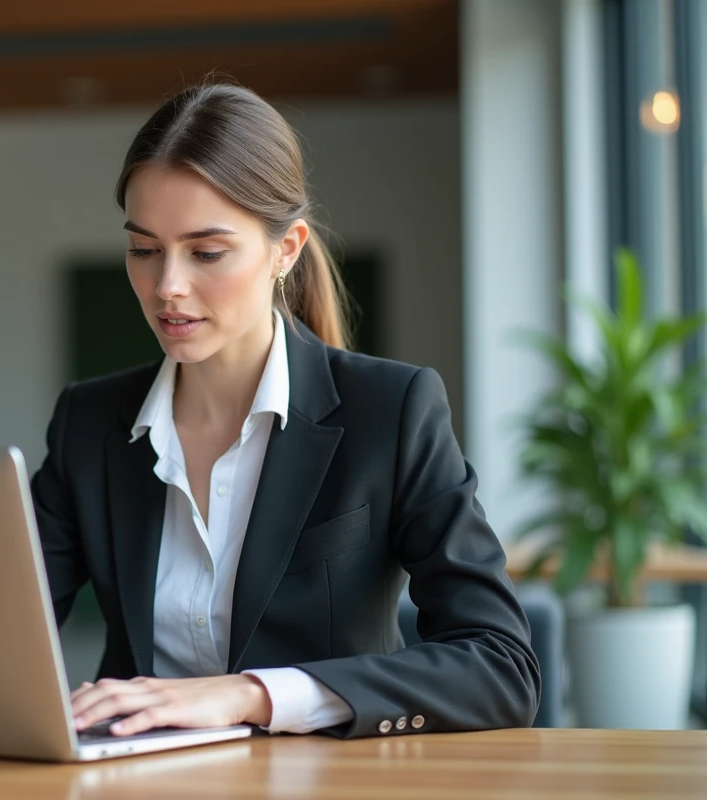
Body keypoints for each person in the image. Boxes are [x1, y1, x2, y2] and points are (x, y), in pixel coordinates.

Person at [30, 82, 539, 740]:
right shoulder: (89, 423)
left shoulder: (389, 411)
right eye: (144, 249)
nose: (167, 286)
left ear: (286, 249)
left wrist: (251, 696)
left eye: (207, 253)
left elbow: (501, 667)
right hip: (134, 778)